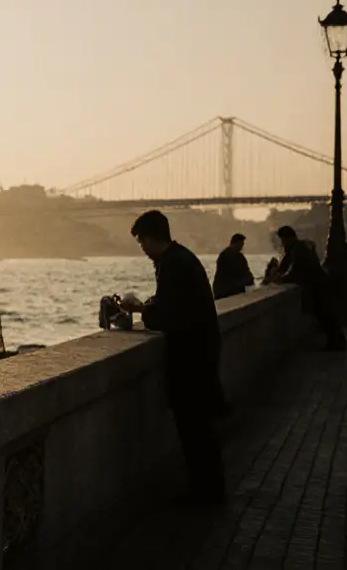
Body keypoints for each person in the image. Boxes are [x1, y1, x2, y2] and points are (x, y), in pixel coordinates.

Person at [119, 210, 226, 507]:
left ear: (152, 238)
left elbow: (172, 316)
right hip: (201, 350)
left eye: (142, 242)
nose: (142, 249)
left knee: (194, 427)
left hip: (191, 357)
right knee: (201, 427)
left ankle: (205, 494)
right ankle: (210, 490)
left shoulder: (173, 265)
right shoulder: (181, 258)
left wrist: (140, 309)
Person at [270, 226, 346, 351]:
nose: (282, 243)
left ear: (288, 238)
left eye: (283, 240)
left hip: (317, 285)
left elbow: (296, 271)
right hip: (319, 283)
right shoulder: (298, 247)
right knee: (326, 314)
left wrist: (281, 279)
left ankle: (336, 343)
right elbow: (285, 265)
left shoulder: (298, 250)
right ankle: (336, 341)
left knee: (325, 314)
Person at [212, 233, 255, 300]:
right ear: (236, 243)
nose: (242, 246)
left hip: (232, 290)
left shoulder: (239, 256)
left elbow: (246, 272)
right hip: (226, 292)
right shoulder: (225, 256)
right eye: (241, 244)